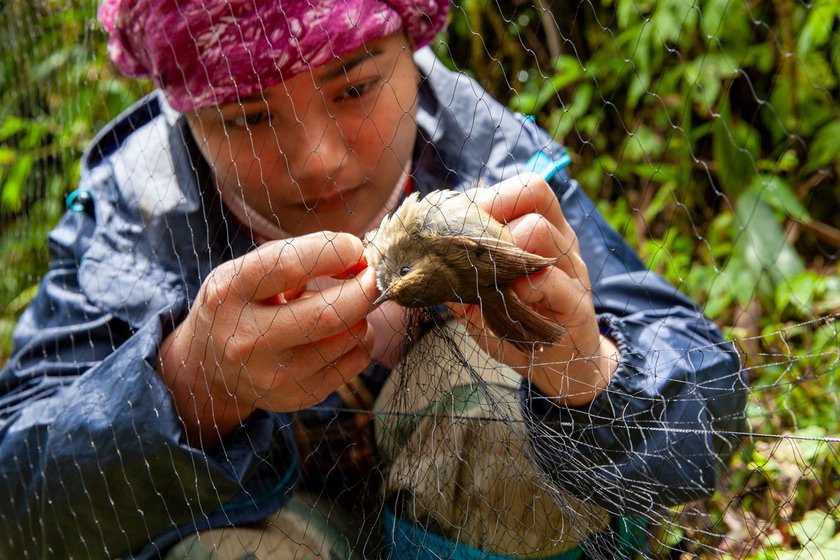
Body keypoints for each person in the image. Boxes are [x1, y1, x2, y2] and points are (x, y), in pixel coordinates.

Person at [0, 1, 747, 558]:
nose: (318, 158)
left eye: (354, 88)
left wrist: (585, 366)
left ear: (411, 50)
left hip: (490, 521)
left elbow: (704, 395)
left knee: (490, 402)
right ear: (186, 117)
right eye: (248, 117)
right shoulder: (135, 224)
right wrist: (192, 382)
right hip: (286, 527)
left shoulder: (491, 162)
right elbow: (17, 497)